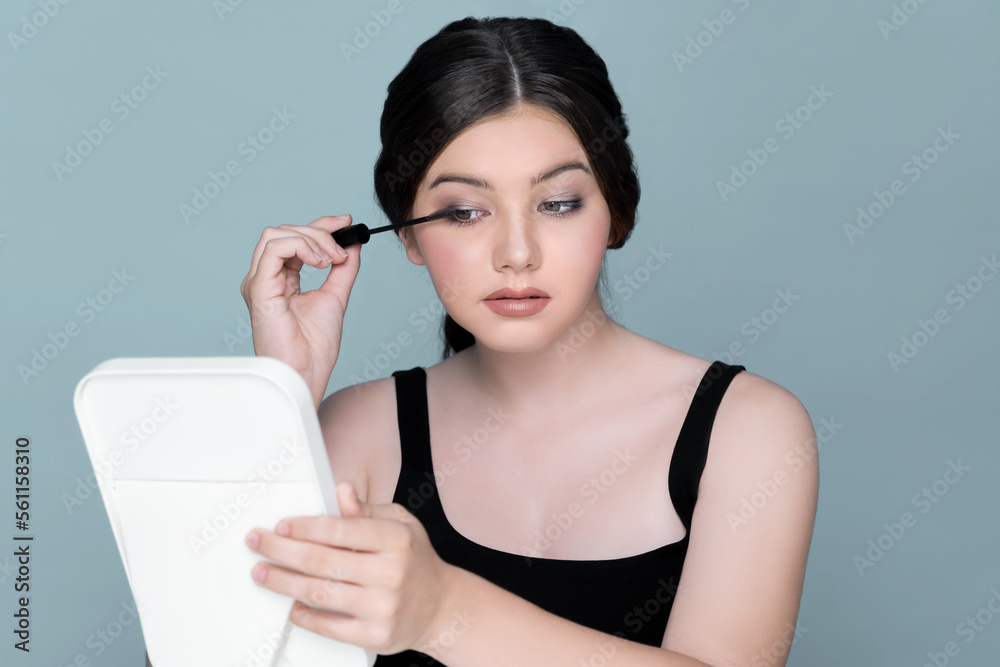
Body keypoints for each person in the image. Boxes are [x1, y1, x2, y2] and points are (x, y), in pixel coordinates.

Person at [233, 15, 819, 667]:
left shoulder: (747, 430)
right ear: (407, 234)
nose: (517, 253)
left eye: (558, 202)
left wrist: (444, 612)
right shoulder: (357, 429)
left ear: (616, 211)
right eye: (463, 211)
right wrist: (278, 396)